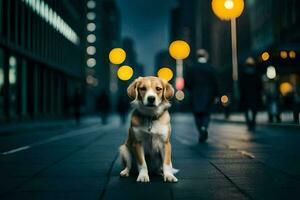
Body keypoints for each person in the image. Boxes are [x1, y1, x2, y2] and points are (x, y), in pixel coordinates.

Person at [185, 49, 218, 143]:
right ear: (206, 56)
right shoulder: (211, 68)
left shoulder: (192, 68)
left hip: (195, 94)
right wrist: (216, 94)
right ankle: (204, 127)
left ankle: (201, 129)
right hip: (209, 94)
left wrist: (191, 90)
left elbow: (187, 83)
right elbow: (215, 82)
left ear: (197, 57)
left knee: (197, 114)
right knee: (206, 113)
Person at [239, 57, 262, 131]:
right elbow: (259, 85)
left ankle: (249, 122)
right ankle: (252, 122)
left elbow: (241, 85)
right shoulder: (256, 74)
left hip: (246, 94)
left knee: (246, 109)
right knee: (254, 109)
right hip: (254, 94)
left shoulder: (244, 74)